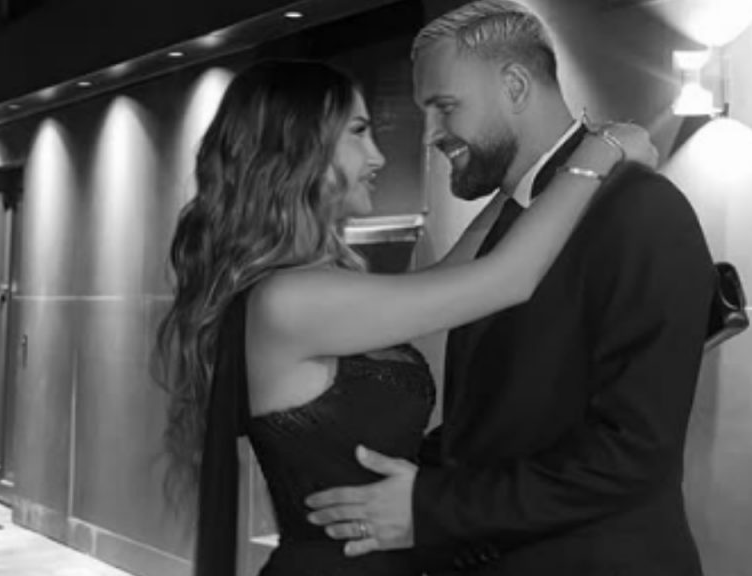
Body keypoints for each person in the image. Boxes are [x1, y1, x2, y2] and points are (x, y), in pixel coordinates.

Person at [155, 59, 654, 576]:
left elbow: (458, 273)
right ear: (295, 149)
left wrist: (533, 172)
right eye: (357, 132)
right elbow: (508, 278)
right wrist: (602, 150)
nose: (378, 156)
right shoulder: (287, 301)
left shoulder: (309, 287)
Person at [304, 2, 715, 575]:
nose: (430, 135)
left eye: (445, 107)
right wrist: (398, 482)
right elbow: (503, 422)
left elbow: (630, 453)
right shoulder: (511, 222)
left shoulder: (642, 210)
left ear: (516, 86)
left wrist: (429, 505)